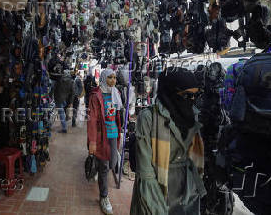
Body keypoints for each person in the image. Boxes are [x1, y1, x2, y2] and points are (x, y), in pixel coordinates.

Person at [130, 67, 206, 215]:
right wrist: (157, 208)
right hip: (156, 188)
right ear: (170, 92)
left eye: (196, 96)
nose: (192, 101)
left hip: (186, 191)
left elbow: (196, 161)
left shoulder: (192, 116)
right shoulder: (149, 118)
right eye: (187, 96)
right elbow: (146, 172)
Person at [87, 69, 123, 215]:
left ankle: (97, 169)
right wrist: (92, 141)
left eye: (114, 78)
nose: (113, 80)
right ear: (103, 78)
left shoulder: (117, 93)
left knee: (112, 163)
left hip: (113, 134)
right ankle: (104, 196)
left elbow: (118, 115)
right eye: (110, 77)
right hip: (101, 135)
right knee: (104, 165)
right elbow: (92, 120)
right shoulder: (96, 96)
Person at [53, 69, 74, 133]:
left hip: (58, 98)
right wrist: (70, 102)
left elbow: (54, 88)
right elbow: (72, 92)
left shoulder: (59, 80)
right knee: (62, 112)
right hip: (65, 98)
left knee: (61, 113)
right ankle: (64, 125)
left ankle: (64, 128)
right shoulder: (71, 81)